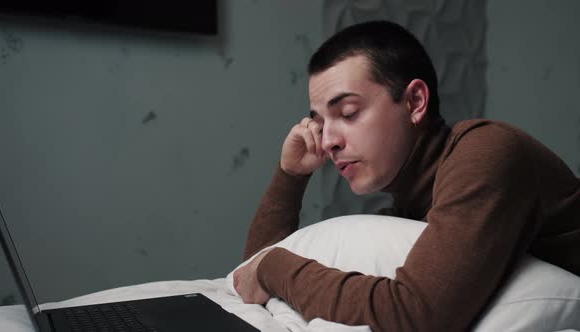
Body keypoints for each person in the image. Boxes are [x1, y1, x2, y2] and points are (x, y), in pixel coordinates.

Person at [233, 20, 580, 331]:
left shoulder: (486, 151)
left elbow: (416, 316)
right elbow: (248, 278)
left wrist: (275, 268)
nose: (327, 141)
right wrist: (290, 177)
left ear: (415, 101)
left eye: (349, 113)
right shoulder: (408, 212)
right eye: (320, 123)